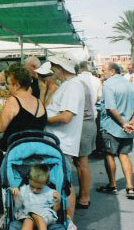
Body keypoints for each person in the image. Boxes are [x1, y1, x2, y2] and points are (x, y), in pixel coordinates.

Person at [43, 54, 85, 219]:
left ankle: (68, 222)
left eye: (54, 66)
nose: (52, 70)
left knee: (65, 184)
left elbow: (66, 117)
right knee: (60, 182)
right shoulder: (71, 85)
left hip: (62, 143)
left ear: (60, 68)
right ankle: (63, 220)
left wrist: (43, 119)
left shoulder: (72, 86)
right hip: (60, 142)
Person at [96, 62, 134, 198]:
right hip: (128, 127)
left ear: (112, 71)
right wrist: (131, 123)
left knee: (109, 154)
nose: (102, 72)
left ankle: (112, 185)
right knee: (124, 155)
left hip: (112, 126)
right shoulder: (129, 83)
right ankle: (130, 187)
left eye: (104, 70)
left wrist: (124, 123)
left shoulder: (108, 84)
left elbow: (110, 107)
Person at [0, 64, 47, 151]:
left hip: (16, 154)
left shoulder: (13, 101)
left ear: (17, 85)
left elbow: (0, 128)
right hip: (36, 153)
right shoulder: (39, 102)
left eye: (8, 83)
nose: (7, 86)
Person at [73, 61, 98, 209]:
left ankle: (84, 198)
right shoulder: (82, 83)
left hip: (84, 126)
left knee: (82, 163)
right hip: (87, 124)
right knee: (81, 163)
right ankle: (83, 194)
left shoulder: (77, 85)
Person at [12, 164, 60, 230]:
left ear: (46, 183)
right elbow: (18, 207)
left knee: (39, 218)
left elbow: (55, 210)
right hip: (27, 213)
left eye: (39, 188)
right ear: (29, 179)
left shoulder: (49, 192)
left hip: (44, 215)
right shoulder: (24, 189)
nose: (35, 190)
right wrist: (16, 197)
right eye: (32, 186)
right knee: (28, 221)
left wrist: (57, 201)